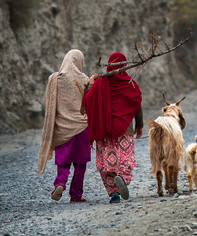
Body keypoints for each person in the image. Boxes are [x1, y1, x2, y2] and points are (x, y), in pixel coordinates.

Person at [83, 52, 143, 204]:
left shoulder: (100, 82)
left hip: (103, 131)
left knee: (107, 164)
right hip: (125, 130)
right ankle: (122, 178)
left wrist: (90, 84)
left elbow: (87, 101)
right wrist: (140, 126)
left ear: (109, 65)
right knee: (126, 160)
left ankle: (114, 194)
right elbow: (137, 105)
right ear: (125, 65)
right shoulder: (130, 83)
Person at [38, 49, 95, 203]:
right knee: (80, 164)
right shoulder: (85, 80)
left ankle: (60, 183)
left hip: (62, 127)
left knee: (63, 160)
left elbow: (50, 102)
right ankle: (76, 195)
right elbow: (90, 102)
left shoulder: (55, 78)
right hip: (82, 127)